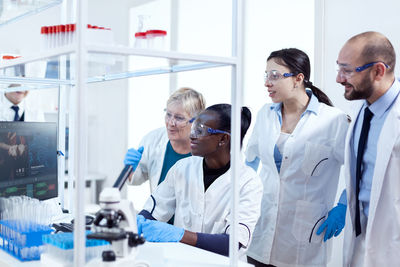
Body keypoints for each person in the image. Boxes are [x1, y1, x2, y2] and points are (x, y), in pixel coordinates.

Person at [244, 48, 349, 267]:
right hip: (260, 233)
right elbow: (250, 162)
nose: (267, 83)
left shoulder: (334, 121)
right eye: (266, 76)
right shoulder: (265, 114)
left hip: (303, 242)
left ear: (298, 79)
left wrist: (343, 205)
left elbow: (359, 171)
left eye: (274, 75)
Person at [136, 104, 263, 257]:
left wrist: (181, 235)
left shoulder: (248, 182)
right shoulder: (182, 168)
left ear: (223, 139)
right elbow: (154, 210)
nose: (192, 135)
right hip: (182, 260)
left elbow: (233, 243)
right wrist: (137, 223)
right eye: (193, 127)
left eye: (200, 130)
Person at [324, 31, 399, 267]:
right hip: (361, 240)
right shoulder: (362, 110)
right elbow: (365, 173)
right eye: (339, 68)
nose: (338, 78)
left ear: (378, 71)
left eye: (347, 70)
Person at [124, 87, 205, 193]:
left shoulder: (207, 147)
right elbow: (136, 179)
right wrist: (130, 169)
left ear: (196, 121)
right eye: (168, 114)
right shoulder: (152, 140)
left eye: (179, 118)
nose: (171, 123)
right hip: (159, 208)